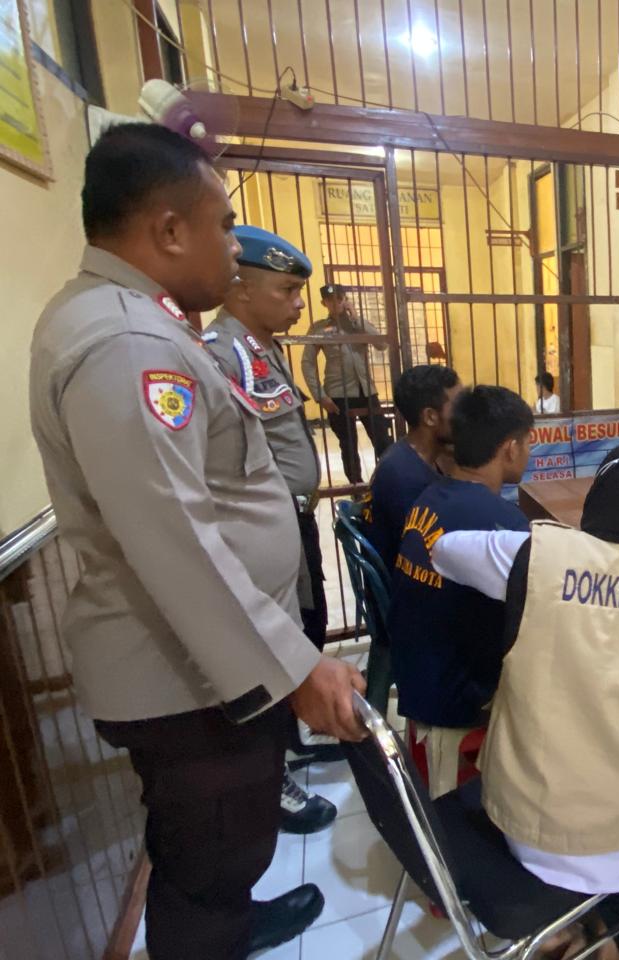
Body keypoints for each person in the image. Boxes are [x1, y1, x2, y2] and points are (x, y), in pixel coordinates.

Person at [28, 123, 367, 960]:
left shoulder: (138, 321)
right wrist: (296, 668)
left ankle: (231, 920)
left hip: (198, 670)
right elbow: (174, 539)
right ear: (170, 230)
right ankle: (215, 932)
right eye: (223, 225)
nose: (233, 247)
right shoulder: (129, 344)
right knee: (209, 856)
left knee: (215, 845)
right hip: (186, 679)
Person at [430, 441, 619, 960]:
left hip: (542, 834)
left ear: (597, 495)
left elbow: (443, 550)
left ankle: (570, 930)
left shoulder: (537, 557)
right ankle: (606, 927)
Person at [204, 224, 339, 836]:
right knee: (270, 644)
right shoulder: (220, 354)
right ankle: (272, 778)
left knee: (305, 627)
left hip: (291, 520)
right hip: (259, 528)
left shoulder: (262, 348)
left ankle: (289, 740)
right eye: (286, 290)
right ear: (241, 288)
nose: (298, 303)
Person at [388, 385, 533, 797]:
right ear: (510, 448)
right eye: (528, 443)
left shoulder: (431, 495)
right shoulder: (500, 522)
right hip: (454, 698)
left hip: (418, 677)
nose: (528, 452)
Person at [365, 363, 462, 570]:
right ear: (430, 417)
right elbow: (427, 551)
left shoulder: (412, 454)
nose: (466, 416)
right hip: (408, 581)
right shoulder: (404, 477)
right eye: (458, 407)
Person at [300, 282, 391, 484]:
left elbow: (382, 344)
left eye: (340, 299)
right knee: (348, 444)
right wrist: (320, 395)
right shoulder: (319, 328)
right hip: (337, 394)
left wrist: (356, 317)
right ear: (324, 303)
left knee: (382, 439)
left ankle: (390, 481)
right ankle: (356, 487)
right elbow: (307, 363)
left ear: (346, 299)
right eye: (331, 300)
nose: (336, 304)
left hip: (366, 390)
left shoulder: (358, 324)